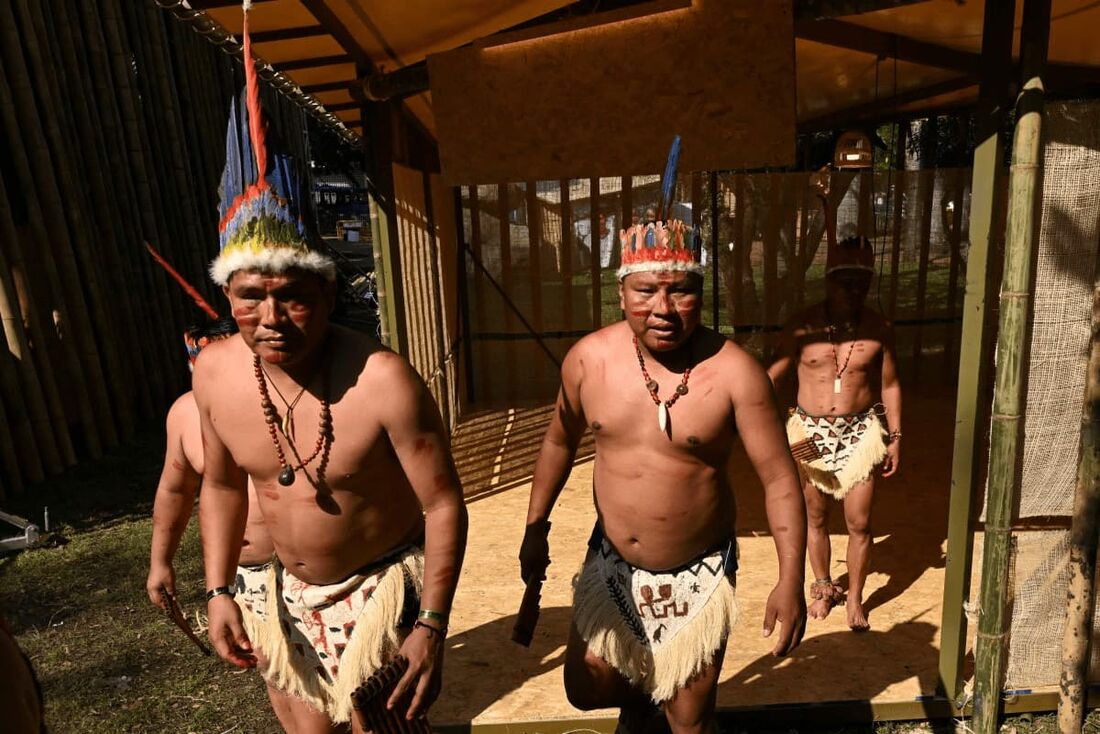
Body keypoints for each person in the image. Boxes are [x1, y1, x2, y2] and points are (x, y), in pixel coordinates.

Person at [195, 9, 468, 730]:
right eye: (251, 297)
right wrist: (220, 588)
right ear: (229, 295)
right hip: (283, 594)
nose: (273, 319)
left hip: (383, 586)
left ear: (327, 291)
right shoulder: (215, 374)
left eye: (293, 298)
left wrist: (431, 624)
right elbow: (222, 484)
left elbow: (442, 504)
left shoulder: (382, 380)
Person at [519, 218, 807, 732]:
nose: (663, 310)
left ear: (701, 291)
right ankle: (638, 710)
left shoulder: (738, 373)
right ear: (621, 291)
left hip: (699, 572)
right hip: (612, 564)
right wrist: (534, 529)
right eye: (646, 291)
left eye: (681, 292)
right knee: (587, 687)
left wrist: (791, 579)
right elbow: (559, 440)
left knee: (689, 719)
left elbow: (781, 480)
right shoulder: (588, 360)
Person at [146, 317, 294, 716]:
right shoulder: (183, 415)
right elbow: (174, 491)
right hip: (246, 574)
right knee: (275, 672)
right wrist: (161, 561)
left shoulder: (282, 404)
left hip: (304, 570)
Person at [767, 236, 901, 631]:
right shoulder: (802, 326)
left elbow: (890, 384)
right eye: (846, 282)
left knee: (859, 522)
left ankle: (855, 599)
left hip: (860, 434)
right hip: (807, 430)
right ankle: (823, 587)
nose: (854, 290)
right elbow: (772, 377)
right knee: (815, 515)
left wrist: (896, 436)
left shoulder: (878, 328)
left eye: (861, 282)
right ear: (829, 282)